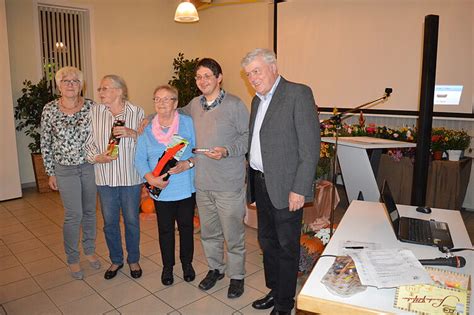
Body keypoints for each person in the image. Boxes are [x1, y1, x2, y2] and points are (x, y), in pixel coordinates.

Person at [242, 48, 320, 315]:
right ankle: (275, 291)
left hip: (287, 188)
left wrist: (299, 189)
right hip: (261, 184)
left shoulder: (298, 93)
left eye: (257, 71)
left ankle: (285, 304)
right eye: (249, 73)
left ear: (273, 67)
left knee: (287, 248)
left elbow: (310, 148)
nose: (252, 78)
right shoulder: (257, 101)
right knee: (267, 242)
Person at [183, 58, 249, 298]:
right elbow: (174, 114)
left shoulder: (235, 104)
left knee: (233, 235)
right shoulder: (194, 104)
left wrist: (227, 150)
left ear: (219, 77)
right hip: (202, 183)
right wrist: (149, 118)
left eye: (207, 76)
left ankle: (237, 276)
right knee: (209, 233)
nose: (202, 81)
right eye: (199, 77)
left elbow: (247, 136)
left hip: (228, 185)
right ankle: (215, 269)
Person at [41, 66, 100, 280]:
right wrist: (50, 172)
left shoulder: (92, 107)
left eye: (75, 81)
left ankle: (90, 250)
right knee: (74, 215)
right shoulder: (49, 110)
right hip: (64, 169)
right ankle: (73, 258)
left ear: (81, 85)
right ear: (58, 85)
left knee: (90, 212)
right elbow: (45, 143)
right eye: (66, 81)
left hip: (89, 166)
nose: (70, 85)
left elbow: (103, 132)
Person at [135, 85, 196, 286]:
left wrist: (188, 164)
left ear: (175, 103)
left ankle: (187, 264)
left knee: (186, 228)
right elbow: (139, 160)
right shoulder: (147, 129)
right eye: (157, 99)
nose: (161, 103)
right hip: (161, 191)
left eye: (166, 99)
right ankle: (167, 267)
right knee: (165, 231)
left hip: (185, 188)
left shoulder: (187, 124)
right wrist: (150, 179)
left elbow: (197, 151)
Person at [84, 75, 144, 279]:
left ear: (119, 91)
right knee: (109, 222)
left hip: (130, 178)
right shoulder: (95, 112)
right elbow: (88, 142)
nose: (100, 92)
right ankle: (116, 260)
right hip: (105, 177)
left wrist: (133, 133)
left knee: (131, 221)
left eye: (104, 88)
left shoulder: (137, 112)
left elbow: (147, 142)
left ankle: (133, 259)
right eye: (100, 89)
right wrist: (96, 157)